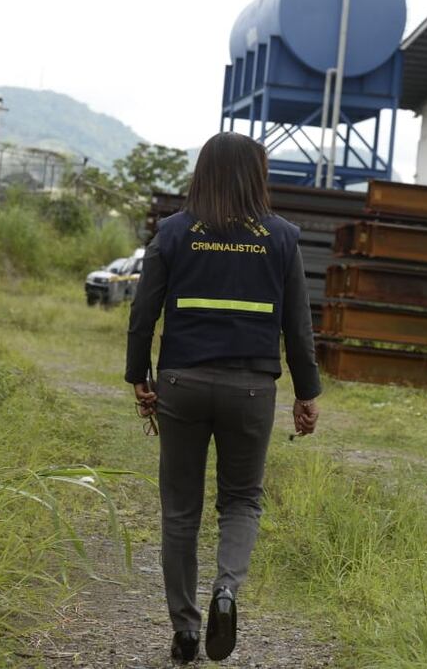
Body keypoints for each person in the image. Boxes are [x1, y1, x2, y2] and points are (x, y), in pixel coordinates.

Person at [125, 132, 321, 664]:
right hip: (251, 388)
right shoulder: (281, 237)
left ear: (203, 171)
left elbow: (143, 313)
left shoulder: (174, 232)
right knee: (241, 500)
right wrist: (307, 393)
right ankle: (226, 590)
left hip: (181, 384)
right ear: (257, 175)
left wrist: (138, 375)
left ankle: (186, 631)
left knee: (180, 509)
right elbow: (298, 328)